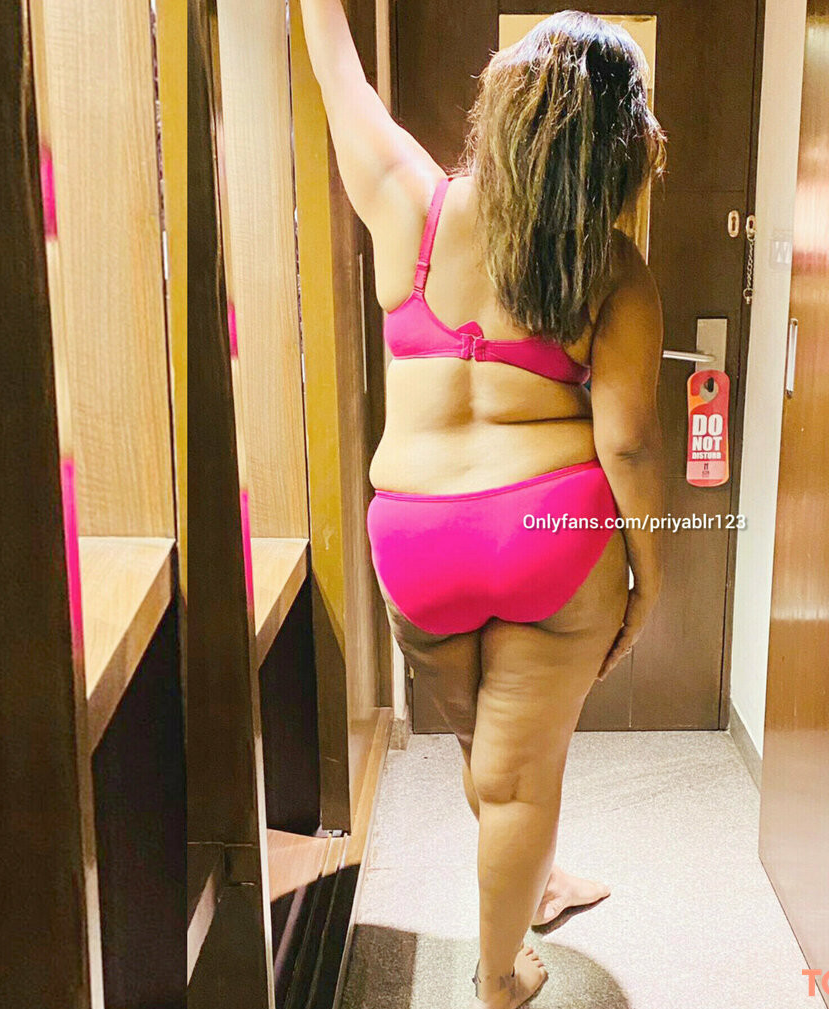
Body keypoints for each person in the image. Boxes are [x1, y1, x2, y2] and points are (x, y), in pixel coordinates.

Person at [302, 6, 666, 1007]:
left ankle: (535, 880)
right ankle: (500, 974)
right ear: (618, 149)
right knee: (520, 774)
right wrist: (647, 579)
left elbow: (341, 78)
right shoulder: (612, 270)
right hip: (548, 538)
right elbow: (628, 443)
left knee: (486, 751)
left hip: (418, 539)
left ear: (502, 110)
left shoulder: (411, 205)